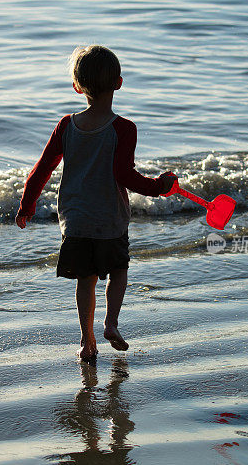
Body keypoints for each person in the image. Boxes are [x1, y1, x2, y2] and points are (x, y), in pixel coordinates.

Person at [16, 45, 176, 360]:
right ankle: (111, 323)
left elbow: (42, 169)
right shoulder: (124, 129)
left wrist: (27, 204)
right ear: (119, 82)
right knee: (118, 270)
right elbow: (125, 175)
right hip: (110, 220)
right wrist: (160, 186)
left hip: (75, 221)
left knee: (85, 280)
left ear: (77, 87)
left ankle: (86, 341)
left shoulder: (67, 125)